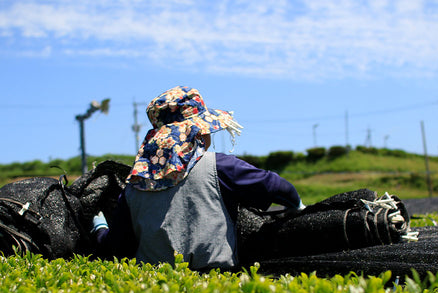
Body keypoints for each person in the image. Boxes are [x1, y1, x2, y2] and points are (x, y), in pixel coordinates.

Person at [93, 85, 304, 270]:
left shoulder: (134, 185)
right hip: (217, 280)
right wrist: (298, 207)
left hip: (153, 289)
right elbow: (278, 187)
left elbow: (115, 247)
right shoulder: (220, 167)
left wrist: (100, 228)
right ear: (200, 132)